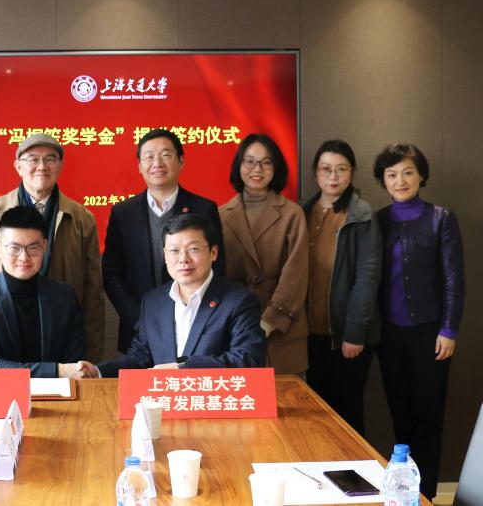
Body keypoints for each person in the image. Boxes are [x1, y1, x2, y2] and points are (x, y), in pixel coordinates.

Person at [373, 142, 464, 500]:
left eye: (407, 172)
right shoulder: (379, 220)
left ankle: (426, 495)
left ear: (421, 175)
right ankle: (404, 492)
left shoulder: (442, 218)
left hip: (431, 335)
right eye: (392, 174)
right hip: (389, 336)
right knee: (401, 416)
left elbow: (454, 278)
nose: (400, 181)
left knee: (428, 417)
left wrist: (449, 328)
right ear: (383, 180)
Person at [0, 133, 104, 360]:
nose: (42, 166)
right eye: (33, 159)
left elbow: (93, 291)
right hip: (1, 331)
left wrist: (91, 355)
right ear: (18, 167)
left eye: (50, 159)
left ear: (60, 166)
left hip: (60, 336)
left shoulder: (81, 218)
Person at [80, 214, 265, 378]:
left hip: (213, 400)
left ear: (213, 253)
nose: (183, 259)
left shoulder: (239, 301)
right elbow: (139, 359)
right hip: (164, 402)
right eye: (174, 251)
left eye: (193, 249)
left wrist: (183, 369)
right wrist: (98, 371)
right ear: (165, 255)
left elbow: (248, 359)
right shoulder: (153, 302)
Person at [103, 128, 225, 353]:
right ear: (139, 166)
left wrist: (202, 317)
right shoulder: (123, 213)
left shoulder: (203, 209)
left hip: (195, 328)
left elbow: (217, 268)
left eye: (166, 155)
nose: (157, 163)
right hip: (138, 330)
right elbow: (111, 273)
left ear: (181, 161)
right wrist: (137, 319)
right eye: (149, 157)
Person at [301, 139, 381, 436]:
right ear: (316, 172)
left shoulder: (361, 215)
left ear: (352, 172)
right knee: (316, 415)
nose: (333, 176)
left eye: (341, 169)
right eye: (326, 169)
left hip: (347, 336)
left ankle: (355, 468)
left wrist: (355, 332)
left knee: (347, 414)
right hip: (309, 334)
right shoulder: (301, 211)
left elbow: (367, 277)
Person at [0, 206, 87, 378]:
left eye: (33, 248)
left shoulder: (65, 296)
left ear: (44, 246)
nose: (24, 257)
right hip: (1, 392)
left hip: (59, 392)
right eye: (14, 248)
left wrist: (66, 372)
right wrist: (58, 371)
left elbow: (75, 366)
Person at [219, 134, 308, 375]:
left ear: (275, 168)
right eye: (249, 161)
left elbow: (296, 273)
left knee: (287, 394)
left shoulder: (292, 213)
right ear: (239, 166)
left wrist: (269, 320)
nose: (257, 169)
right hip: (236, 321)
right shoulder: (221, 214)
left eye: (266, 162)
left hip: (281, 325)